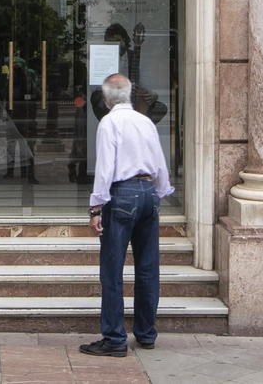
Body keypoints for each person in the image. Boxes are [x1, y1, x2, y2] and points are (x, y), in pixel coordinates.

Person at [80, 73, 174, 358]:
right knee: (148, 269)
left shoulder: (109, 122)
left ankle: (114, 339)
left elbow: (105, 168)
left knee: (112, 271)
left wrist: (96, 207)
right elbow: (159, 161)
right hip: (148, 193)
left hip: (121, 195)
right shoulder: (145, 121)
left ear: (106, 98)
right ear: (130, 95)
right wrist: (158, 194)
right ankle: (146, 334)